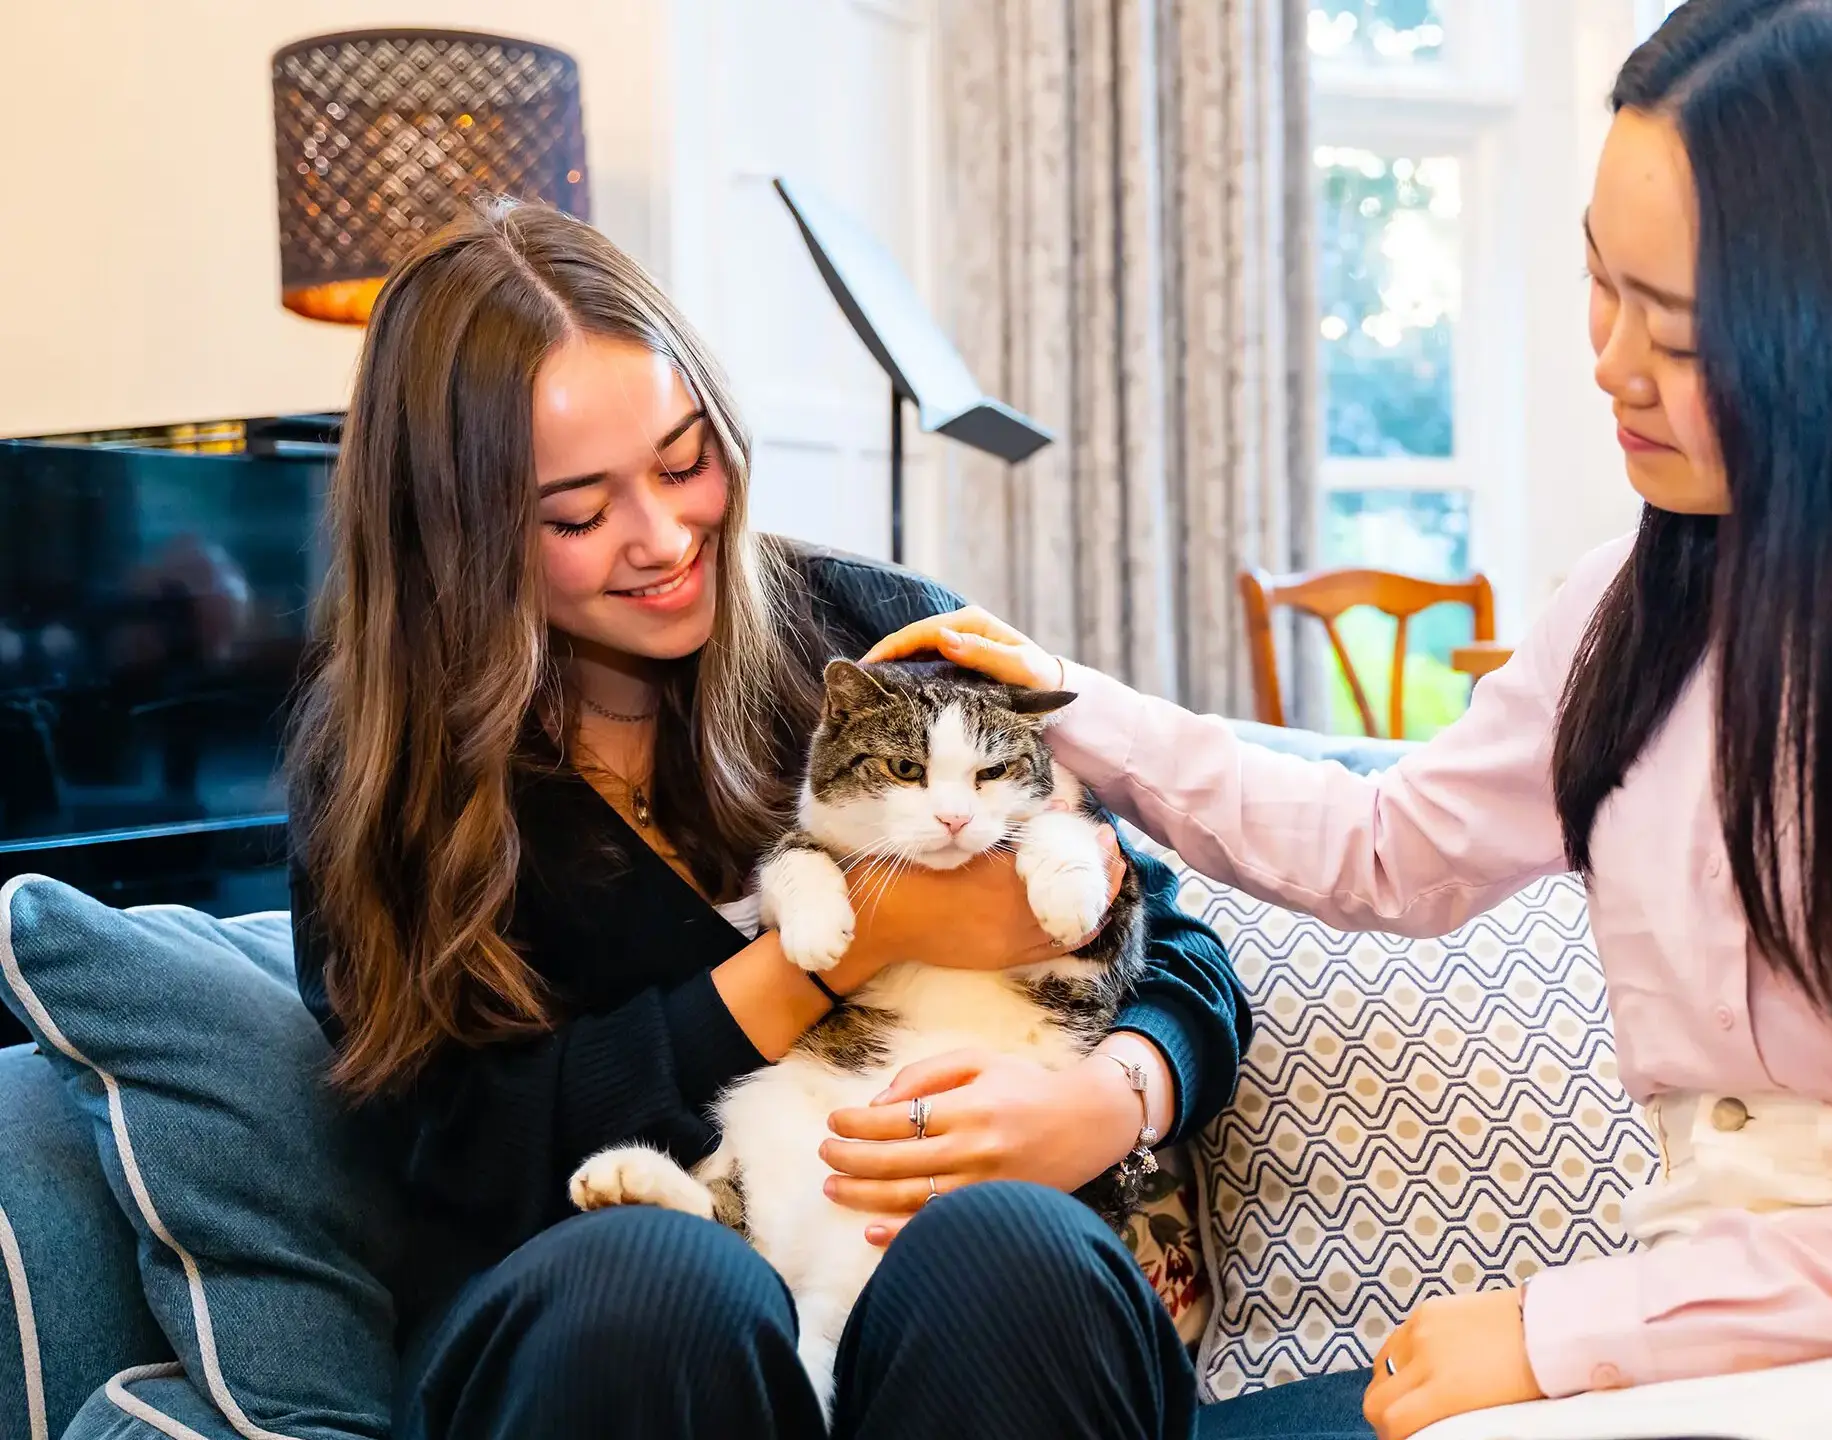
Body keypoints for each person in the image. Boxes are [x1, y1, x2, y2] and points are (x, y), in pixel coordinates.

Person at [866, 2, 1832, 1437]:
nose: (1610, 363)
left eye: (1681, 333)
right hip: (1728, 1327)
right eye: (1600, 282)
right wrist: (1071, 704)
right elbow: (1388, 849)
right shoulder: (1631, 602)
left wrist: (1566, 1330)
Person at [283, 200, 1248, 1440]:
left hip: (943, 1282)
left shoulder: (875, 634)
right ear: (458, 534)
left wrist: (1110, 1100)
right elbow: (454, 1148)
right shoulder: (383, 764)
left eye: (687, 461)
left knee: (1006, 1248)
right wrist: (843, 949)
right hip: (593, 1321)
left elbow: (1178, 950)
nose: (666, 536)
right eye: (578, 515)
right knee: (651, 1282)